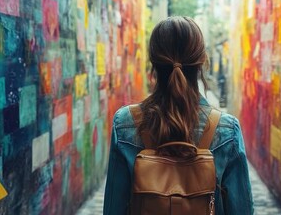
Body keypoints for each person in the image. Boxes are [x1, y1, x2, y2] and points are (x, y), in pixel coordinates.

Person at [103, 16, 254, 214]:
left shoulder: (125, 124)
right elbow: (241, 209)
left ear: (154, 64)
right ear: (201, 63)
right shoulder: (226, 130)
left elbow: (113, 209)